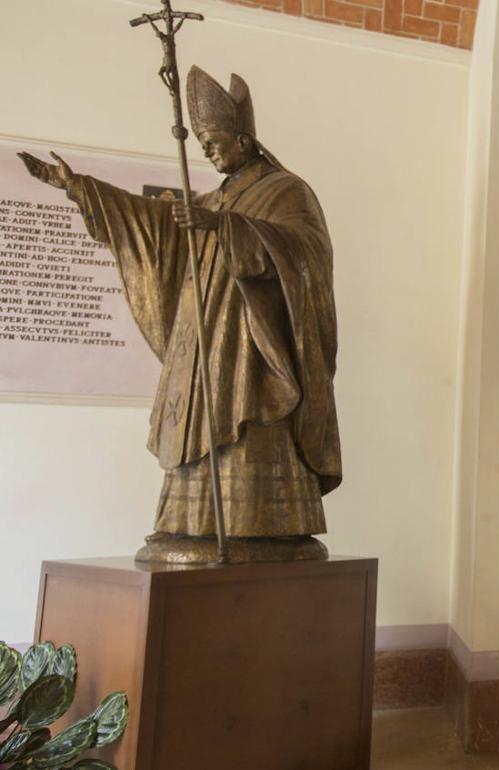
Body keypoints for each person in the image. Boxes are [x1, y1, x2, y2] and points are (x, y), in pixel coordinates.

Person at [18, 67, 341, 562]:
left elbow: (306, 253)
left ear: (244, 138)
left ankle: (266, 527)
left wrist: (227, 227)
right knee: (197, 428)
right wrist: (81, 187)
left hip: (248, 349)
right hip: (201, 343)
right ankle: (191, 526)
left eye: (214, 141)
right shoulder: (213, 196)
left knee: (250, 427)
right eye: (203, 143)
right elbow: (155, 225)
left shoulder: (285, 190)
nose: (207, 152)